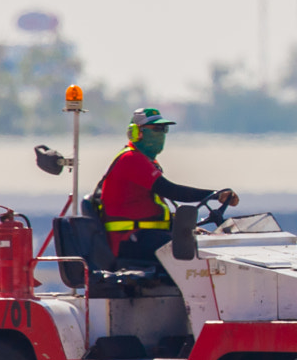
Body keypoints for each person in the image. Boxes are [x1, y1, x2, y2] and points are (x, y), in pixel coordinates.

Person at [94, 107, 239, 259]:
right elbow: (171, 190)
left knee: (200, 242)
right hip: (130, 240)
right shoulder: (131, 159)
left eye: (164, 129)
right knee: (197, 252)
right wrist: (215, 195)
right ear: (137, 133)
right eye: (156, 128)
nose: (161, 134)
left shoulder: (146, 162)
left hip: (147, 236)